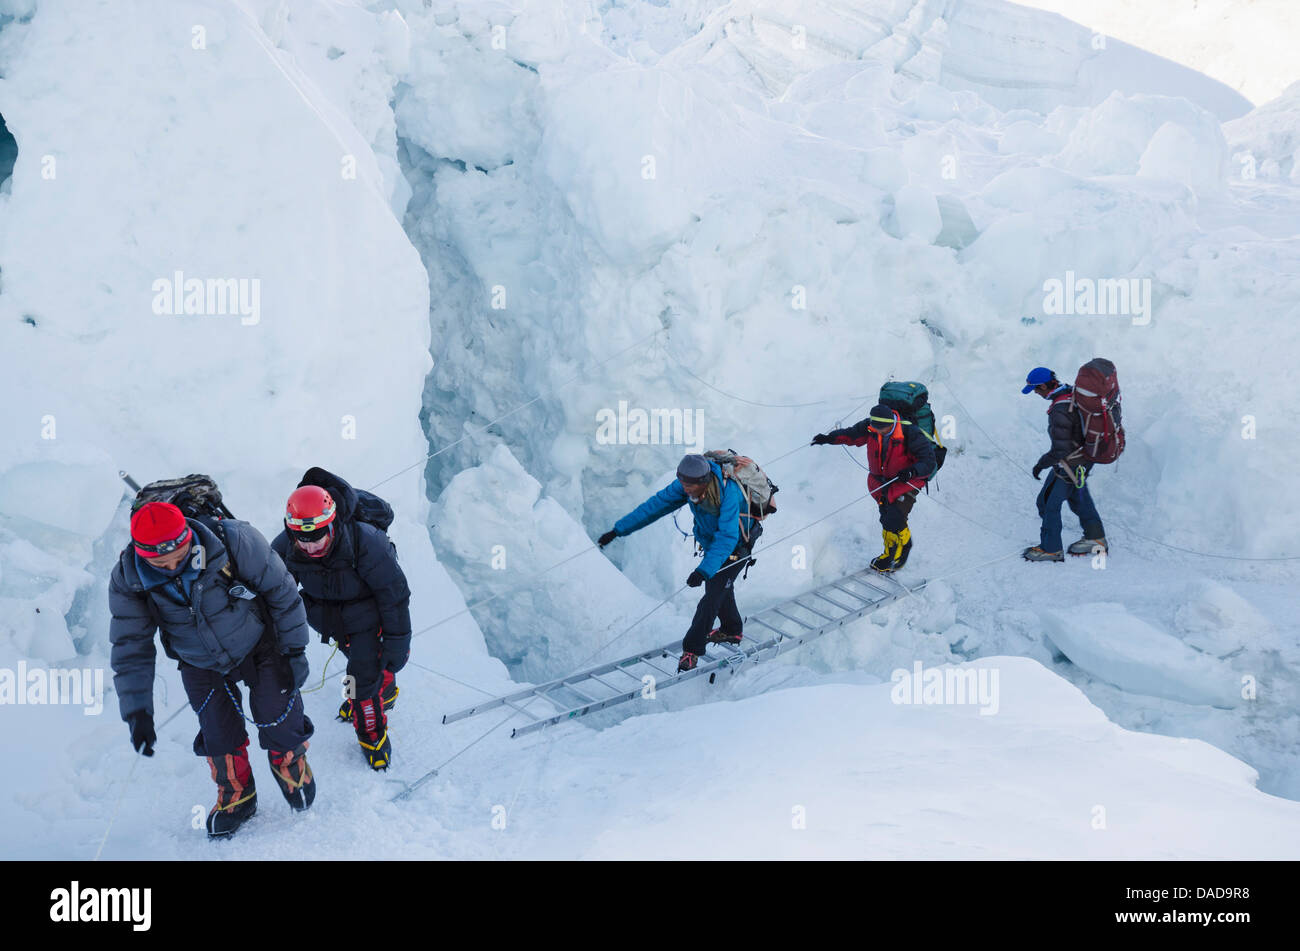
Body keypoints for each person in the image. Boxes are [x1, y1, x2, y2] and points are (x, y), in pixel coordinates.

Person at [109, 501, 315, 838]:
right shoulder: (128, 579)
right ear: (142, 554)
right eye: (162, 563)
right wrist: (137, 711)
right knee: (217, 729)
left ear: (188, 536)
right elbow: (130, 646)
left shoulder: (234, 541)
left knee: (277, 712)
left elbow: (282, 589)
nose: (174, 566)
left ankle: (293, 771)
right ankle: (238, 796)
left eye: (180, 554)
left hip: (258, 641)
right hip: (198, 659)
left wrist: (294, 650)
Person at [271, 477, 410, 771]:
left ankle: (372, 735)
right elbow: (274, 589)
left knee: (360, 682)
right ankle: (383, 690)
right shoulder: (287, 546)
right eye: (301, 539)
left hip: (369, 620)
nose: (309, 547)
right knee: (364, 668)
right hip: (330, 620)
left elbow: (394, 595)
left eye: (317, 538)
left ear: (331, 525)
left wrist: (398, 643)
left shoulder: (367, 542)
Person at [596, 453, 762, 672]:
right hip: (715, 545)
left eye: (688, 485)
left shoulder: (727, 492)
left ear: (702, 482)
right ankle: (732, 629)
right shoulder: (687, 485)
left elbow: (727, 537)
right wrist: (618, 530)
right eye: (681, 482)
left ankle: (692, 650)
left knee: (711, 597)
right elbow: (655, 506)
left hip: (738, 545)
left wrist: (703, 571)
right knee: (720, 587)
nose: (684, 488)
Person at [810, 404, 936, 572]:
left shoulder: (910, 433)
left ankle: (902, 547)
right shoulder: (871, 427)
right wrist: (828, 438)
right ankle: (889, 553)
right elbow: (851, 435)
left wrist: (912, 471)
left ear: (891, 423)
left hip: (905, 482)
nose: (879, 433)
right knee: (886, 516)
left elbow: (928, 461)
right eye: (876, 429)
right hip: (881, 483)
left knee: (894, 516)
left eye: (883, 430)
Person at [1020, 366, 1108, 561]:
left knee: (1048, 503)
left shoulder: (1059, 409)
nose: (1035, 393)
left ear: (1043, 386)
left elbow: (1061, 450)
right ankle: (1096, 538)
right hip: (1083, 459)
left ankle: (1051, 549)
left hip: (1072, 463)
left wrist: (1040, 464)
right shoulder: (1070, 392)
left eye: (1035, 389)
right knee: (1078, 497)